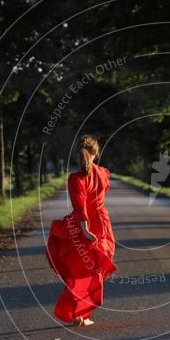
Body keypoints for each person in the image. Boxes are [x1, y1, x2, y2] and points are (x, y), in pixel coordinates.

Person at [45, 135, 117, 326]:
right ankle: (81, 313)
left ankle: (79, 312)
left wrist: (84, 228)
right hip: (101, 225)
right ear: (97, 153)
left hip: (80, 227)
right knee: (95, 269)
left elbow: (79, 206)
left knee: (78, 269)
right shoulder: (103, 173)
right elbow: (95, 200)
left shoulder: (75, 179)